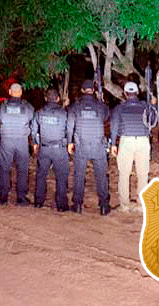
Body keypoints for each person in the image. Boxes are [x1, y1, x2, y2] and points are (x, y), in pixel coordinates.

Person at [109, 81, 156, 212]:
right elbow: (153, 121)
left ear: (125, 93)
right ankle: (141, 205)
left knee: (124, 174)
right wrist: (153, 105)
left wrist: (113, 144)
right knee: (143, 174)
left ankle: (125, 205)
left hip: (126, 141)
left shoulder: (119, 108)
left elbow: (114, 127)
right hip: (143, 141)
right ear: (137, 92)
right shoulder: (146, 106)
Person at [66, 80, 110, 215]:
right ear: (94, 90)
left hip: (82, 144)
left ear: (82, 90)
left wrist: (70, 142)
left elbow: (70, 125)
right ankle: (104, 206)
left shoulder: (76, 106)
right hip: (98, 145)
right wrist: (101, 101)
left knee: (79, 175)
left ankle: (77, 205)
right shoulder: (101, 105)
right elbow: (106, 118)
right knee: (101, 176)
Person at [0, 83, 35, 205]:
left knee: (4, 168)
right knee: (22, 169)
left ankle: (3, 197)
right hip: (21, 140)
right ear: (21, 92)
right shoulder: (27, 107)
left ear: (9, 92)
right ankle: (21, 197)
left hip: (6, 140)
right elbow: (33, 123)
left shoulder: (2, 106)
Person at [32, 88, 70, 211]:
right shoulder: (64, 113)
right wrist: (69, 142)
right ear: (58, 99)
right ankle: (61, 205)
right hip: (60, 149)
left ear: (45, 98)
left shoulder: (39, 112)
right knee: (61, 177)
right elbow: (69, 130)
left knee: (41, 175)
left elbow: (34, 131)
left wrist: (36, 144)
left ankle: (39, 202)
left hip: (44, 148)